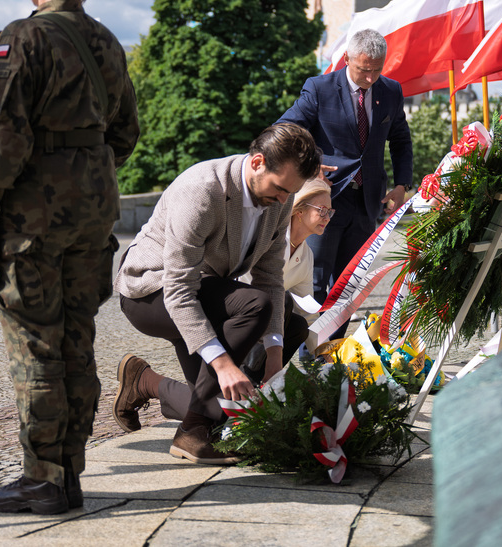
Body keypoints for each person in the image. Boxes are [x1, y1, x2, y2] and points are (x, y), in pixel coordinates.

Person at [0, 0, 139, 515]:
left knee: (37, 344)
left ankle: (44, 477)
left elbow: (1, 140)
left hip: (32, 221)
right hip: (93, 219)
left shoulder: (25, 39)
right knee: (76, 341)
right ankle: (71, 471)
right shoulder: (108, 44)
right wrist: (83, 169)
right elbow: (125, 134)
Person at [112, 124, 322, 464]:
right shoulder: (202, 189)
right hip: (150, 291)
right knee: (256, 306)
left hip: (202, 288)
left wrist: (273, 358)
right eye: (281, 188)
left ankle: (145, 382)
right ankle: (191, 434)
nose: (285, 201)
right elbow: (179, 290)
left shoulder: (280, 199)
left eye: (291, 192)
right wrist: (223, 365)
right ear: (257, 163)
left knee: (230, 407)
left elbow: (270, 275)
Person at [276, 29, 413, 338]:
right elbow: (285, 128)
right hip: (324, 201)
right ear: (347, 58)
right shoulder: (320, 88)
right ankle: (308, 352)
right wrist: (309, 162)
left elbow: (401, 139)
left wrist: (402, 184)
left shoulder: (390, 91)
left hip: (367, 203)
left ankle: (332, 354)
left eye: (378, 69)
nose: (370, 77)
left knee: (350, 284)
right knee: (315, 282)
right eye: (364, 69)